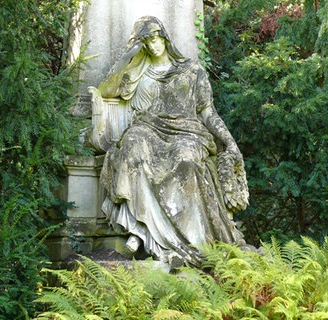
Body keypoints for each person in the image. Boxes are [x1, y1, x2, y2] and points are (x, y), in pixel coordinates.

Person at [97, 16, 249, 267]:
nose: (153, 45)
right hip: (149, 127)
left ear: (165, 38)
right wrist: (130, 54)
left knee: (186, 160)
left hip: (186, 132)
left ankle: (191, 241)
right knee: (133, 145)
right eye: (147, 42)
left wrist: (229, 141)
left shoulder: (192, 71)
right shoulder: (138, 71)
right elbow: (106, 91)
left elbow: (208, 112)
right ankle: (140, 230)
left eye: (155, 38)